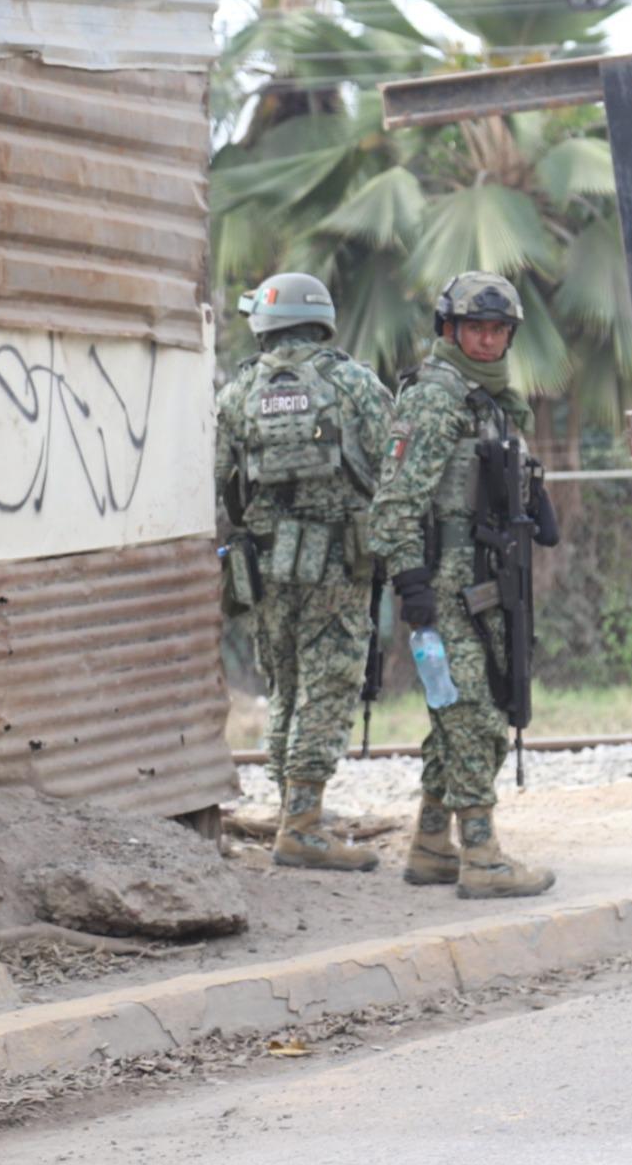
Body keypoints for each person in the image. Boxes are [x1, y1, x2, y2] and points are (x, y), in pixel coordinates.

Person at [369, 271, 559, 899]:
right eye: (474, 328)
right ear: (449, 330)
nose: (486, 340)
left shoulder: (496, 401)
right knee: (472, 714)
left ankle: (429, 844)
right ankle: (481, 855)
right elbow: (395, 501)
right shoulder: (435, 395)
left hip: (493, 577)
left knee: (471, 708)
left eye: (497, 330)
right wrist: (411, 585)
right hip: (448, 584)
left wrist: (535, 496)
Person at [216, 272, 393, 871]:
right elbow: (394, 466)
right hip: (339, 561)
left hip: (264, 563)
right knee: (329, 682)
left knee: (285, 683)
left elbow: (222, 479)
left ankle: (292, 809)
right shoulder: (353, 383)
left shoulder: (239, 392)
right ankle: (304, 822)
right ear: (322, 320)